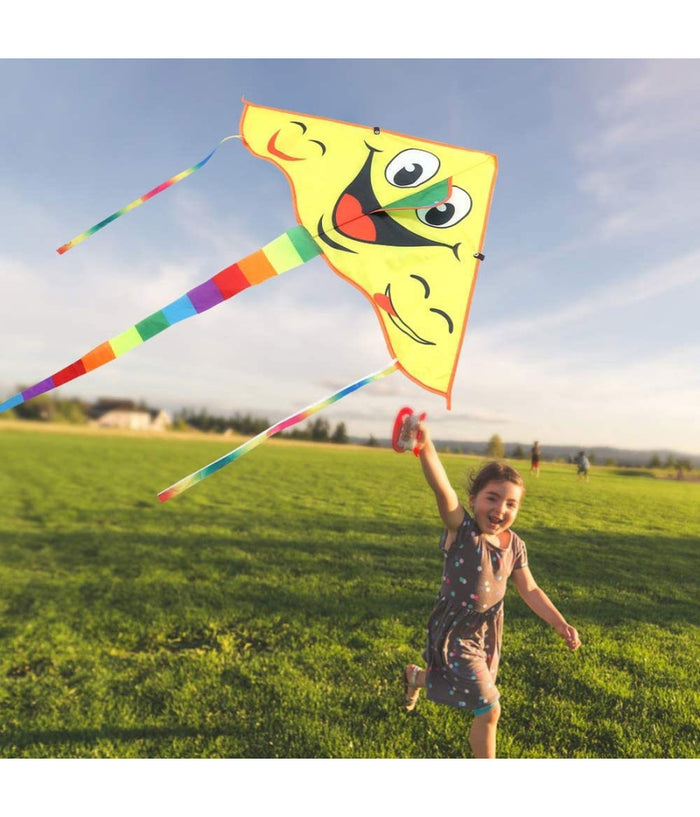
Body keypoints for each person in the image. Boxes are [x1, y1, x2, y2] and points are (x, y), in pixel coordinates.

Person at [401, 418, 581, 759]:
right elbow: (443, 491)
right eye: (492, 498)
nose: (500, 509)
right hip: (455, 630)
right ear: (473, 499)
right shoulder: (463, 532)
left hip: (485, 631)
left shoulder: (516, 545)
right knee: (489, 708)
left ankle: (416, 678)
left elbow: (530, 589)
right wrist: (425, 446)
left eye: (511, 504)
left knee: (463, 684)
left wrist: (560, 623)